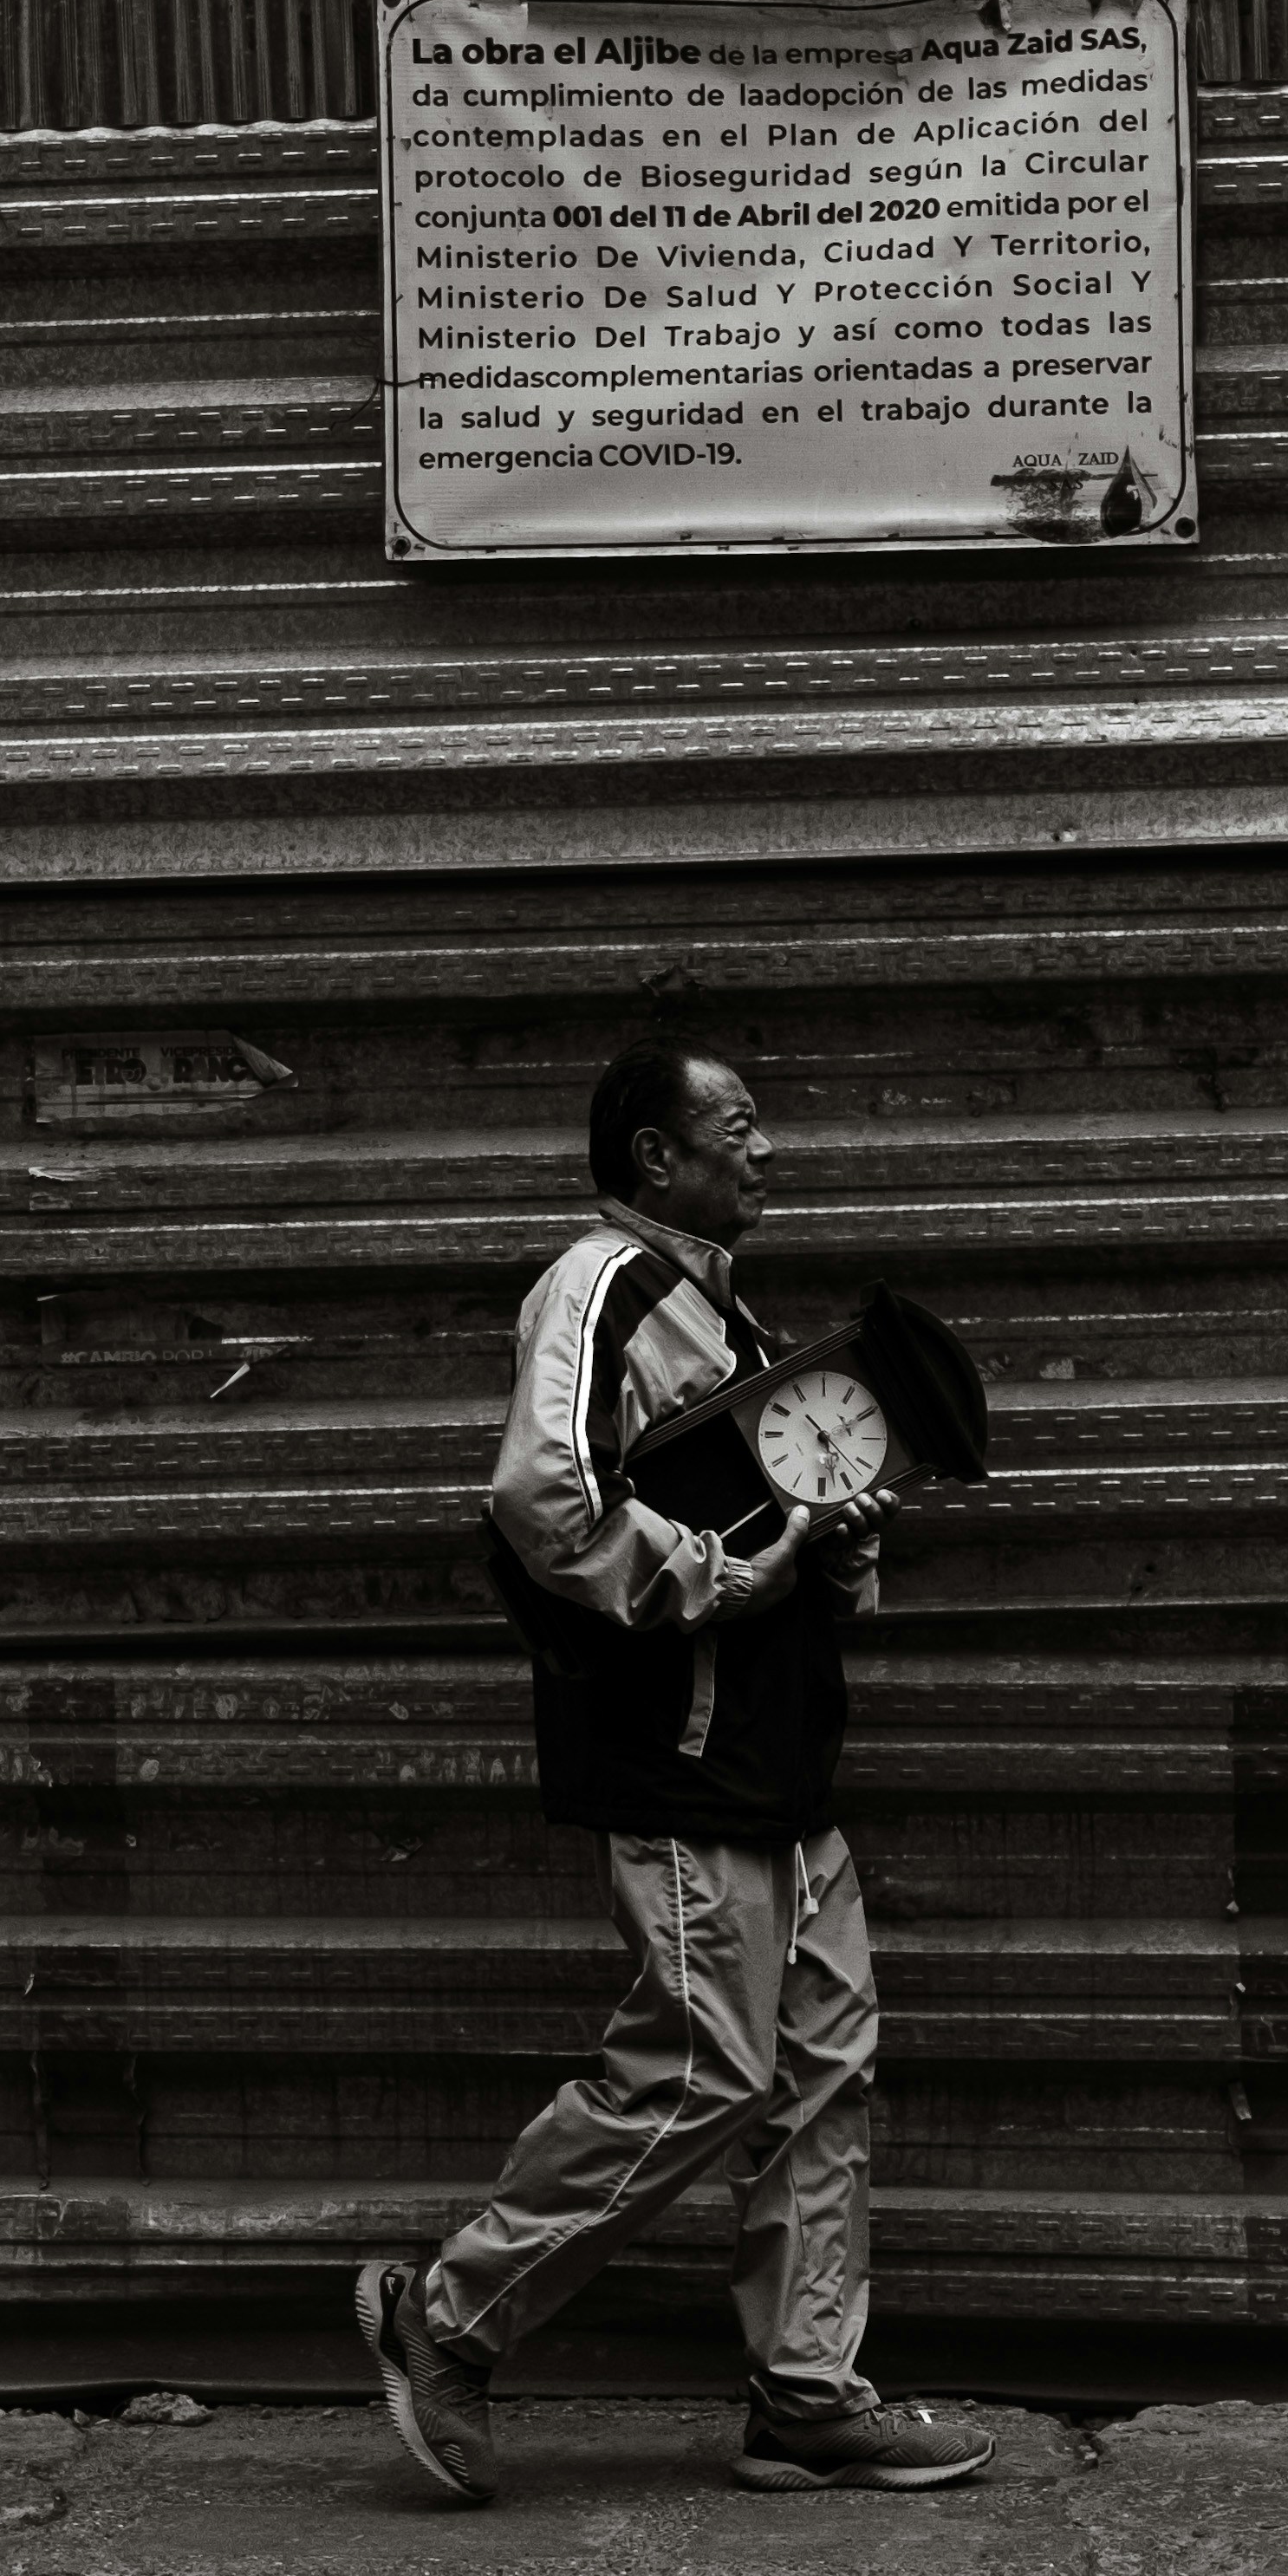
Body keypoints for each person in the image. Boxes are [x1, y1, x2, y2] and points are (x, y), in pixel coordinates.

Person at [355, 1040, 992, 2502]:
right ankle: (445, 2313)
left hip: (781, 1764)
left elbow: (766, 1498)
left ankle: (807, 2395)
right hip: (681, 1761)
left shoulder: (729, 1315)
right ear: (657, 1155)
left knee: (822, 2077)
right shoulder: (603, 1285)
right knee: (705, 2068)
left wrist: (828, 1554)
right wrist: (719, 1578)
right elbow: (547, 1496)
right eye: (739, 1126)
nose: (766, 1149)